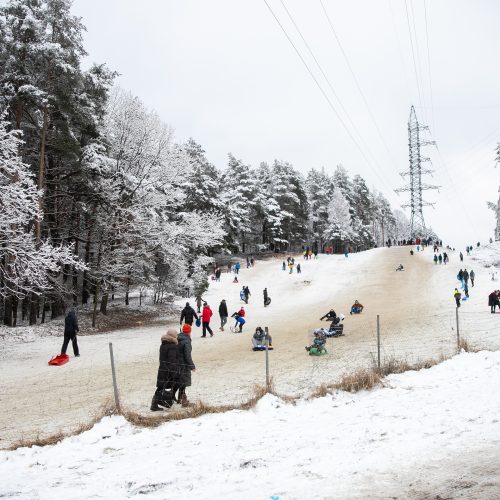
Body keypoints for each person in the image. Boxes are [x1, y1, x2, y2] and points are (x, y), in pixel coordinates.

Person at [150, 329, 179, 412]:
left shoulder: (164, 344)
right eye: (176, 335)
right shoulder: (172, 346)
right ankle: (160, 402)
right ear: (173, 336)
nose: (177, 336)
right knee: (163, 387)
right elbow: (172, 360)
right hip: (168, 370)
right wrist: (173, 371)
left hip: (162, 368)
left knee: (161, 387)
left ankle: (154, 404)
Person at [176, 323, 196, 407]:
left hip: (177, 363)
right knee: (183, 382)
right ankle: (182, 399)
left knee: (180, 381)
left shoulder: (178, 338)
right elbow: (187, 355)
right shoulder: (186, 341)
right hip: (183, 364)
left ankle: (180, 398)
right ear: (189, 332)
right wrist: (192, 366)